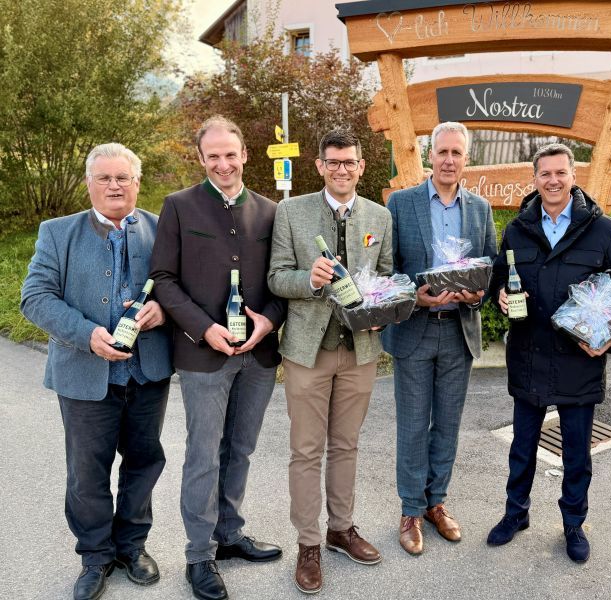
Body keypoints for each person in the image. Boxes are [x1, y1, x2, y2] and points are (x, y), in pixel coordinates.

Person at [20, 143, 173, 600]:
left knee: (144, 462)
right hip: (84, 376)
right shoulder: (57, 233)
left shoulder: (163, 230)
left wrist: (164, 311)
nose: (114, 186)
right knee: (87, 473)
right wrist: (87, 335)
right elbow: (35, 297)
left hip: (147, 372)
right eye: (104, 178)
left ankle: (131, 547)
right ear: (89, 183)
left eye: (123, 177)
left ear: (137, 183)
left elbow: (183, 289)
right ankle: (95, 555)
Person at [149, 115, 286, 600]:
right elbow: (163, 280)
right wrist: (204, 328)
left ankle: (229, 534)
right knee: (203, 455)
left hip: (259, 355)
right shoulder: (179, 206)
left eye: (231, 154)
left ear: (245, 154)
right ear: (201, 158)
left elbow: (282, 278)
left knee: (241, 449)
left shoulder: (271, 211)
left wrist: (270, 321)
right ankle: (198, 556)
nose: (223, 164)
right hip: (201, 354)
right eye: (214, 156)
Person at [485, 142, 611, 563]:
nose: (553, 180)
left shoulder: (604, 230)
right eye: (545, 174)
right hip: (529, 354)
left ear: (573, 176)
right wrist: (500, 295)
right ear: (534, 179)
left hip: (578, 358)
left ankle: (573, 523)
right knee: (522, 448)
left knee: (576, 452)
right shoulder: (517, 229)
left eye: (560, 173)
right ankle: (515, 513)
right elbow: (499, 279)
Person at [268, 129, 392, 594]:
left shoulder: (380, 216)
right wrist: (310, 279)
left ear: (361, 166)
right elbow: (276, 277)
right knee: (306, 451)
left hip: (360, 352)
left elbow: (387, 276)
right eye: (333, 162)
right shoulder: (291, 212)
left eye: (349, 162)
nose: (342, 169)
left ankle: (341, 529)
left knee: (346, 445)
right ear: (320, 165)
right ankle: (308, 544)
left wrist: (380, 310)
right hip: (307, 351)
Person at [383, 121, 497, 555]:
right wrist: (414, 296)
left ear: (467, 158)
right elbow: (389, 268)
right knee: (413, 426)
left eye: (457, 153)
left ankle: (436, 503)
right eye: (442, 152)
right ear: (430, 155)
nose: (449, 160)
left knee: (447, 425)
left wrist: (478, 293)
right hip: (415, 329)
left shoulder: (480, 208)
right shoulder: (402, 203)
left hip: (458, 331)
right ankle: (411, 509)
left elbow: (489, 265)